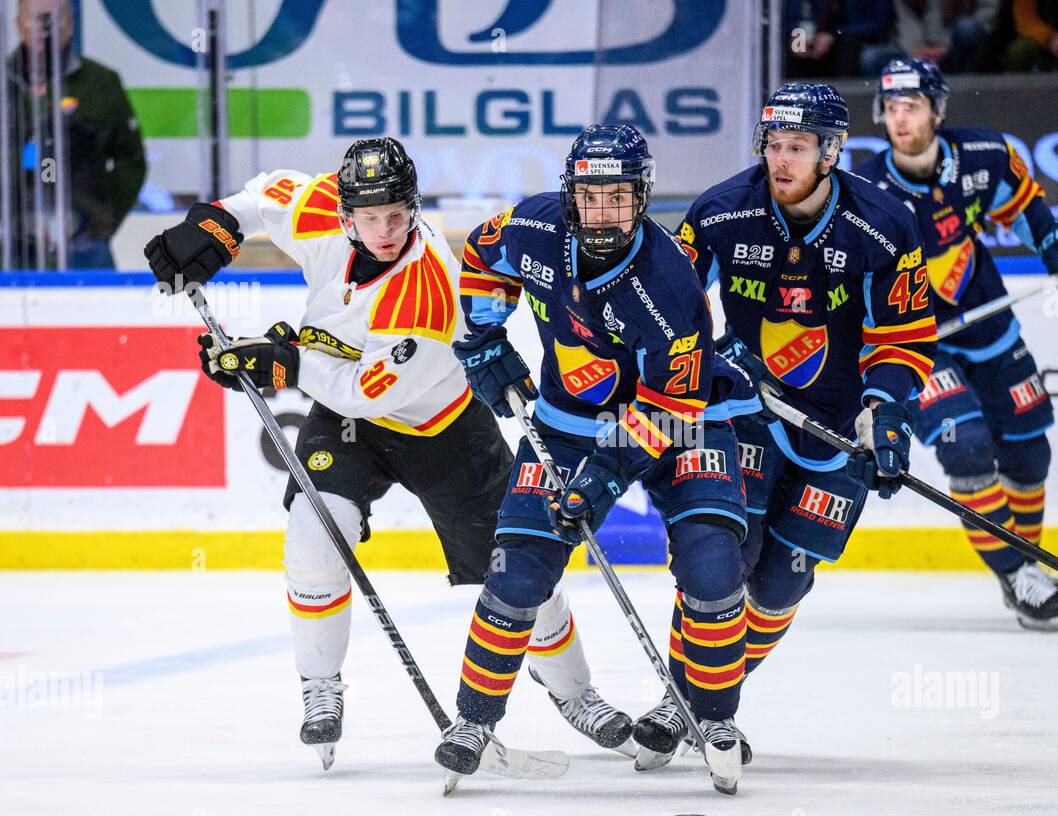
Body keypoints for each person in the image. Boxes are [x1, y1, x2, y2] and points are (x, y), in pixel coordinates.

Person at [144, 137, 626, 769]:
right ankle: (320, 686)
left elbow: (364, 391)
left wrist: (282, 362)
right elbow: (262, 197)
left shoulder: (430, 288)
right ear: (345, 213)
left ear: (414, 207)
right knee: (313, 536)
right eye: (369, 217)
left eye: (397, 215)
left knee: (520, 571)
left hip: (445, 427)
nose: (384, 230)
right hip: (347, 417)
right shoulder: (322, 208)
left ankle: (574, 691)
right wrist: (214, 226)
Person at [434, 124, 761, 794]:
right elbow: (484, 253)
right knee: (518, 571)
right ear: (570, 194)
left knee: (713, 563)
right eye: (592, 196)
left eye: (620, 196)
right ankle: (472, 721)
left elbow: (673, 405)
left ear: (641, 198)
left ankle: (715, 716)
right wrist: (485, 338)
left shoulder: (671, 286)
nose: (605, 212)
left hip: (686, 422)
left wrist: (606, 476)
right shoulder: (531, 227)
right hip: (567, 425)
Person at [675, 82, 936, 754]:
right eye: (772, 145)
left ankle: (706, 691)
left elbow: (903, 337)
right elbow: (666, 306)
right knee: (725, 561)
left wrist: (885, 410)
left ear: (831, 152)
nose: (780, 160)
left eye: (797, 147)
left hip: (837, 428)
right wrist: (702, 357)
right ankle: (689, 703)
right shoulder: (719, 212)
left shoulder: (883, 223)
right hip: (746, 414)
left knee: (782, 581)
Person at [854, 59, 1058, 629]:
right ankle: (1017, 576)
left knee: (1028, 450)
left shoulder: (984, 155)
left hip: (986, 322)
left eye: (911, 106)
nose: (900, 117)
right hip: (917, 342)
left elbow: (1029, 212)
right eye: (891, 107)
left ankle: (1030, 563)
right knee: (965, 448)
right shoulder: (865, 190)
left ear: (938, 110)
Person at [5, 0, 145, 268]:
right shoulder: (4, 83)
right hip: (10, 243)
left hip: (84, 244)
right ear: (18, 26)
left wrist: (102, 220)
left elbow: (131, 160)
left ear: (69, 26)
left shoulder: (100, 82)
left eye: (53, 20)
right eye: (35, 19)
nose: (43, 29)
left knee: (98, 309)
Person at [894, 0, 1001, 74]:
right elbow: (906, 24)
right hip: (924, 50)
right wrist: (917, 52)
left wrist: (943, 51)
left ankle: (965, 93)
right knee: (877, 57)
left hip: (964, 50)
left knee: (968, 28)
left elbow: (986, 26)